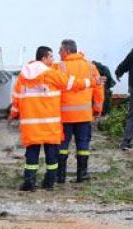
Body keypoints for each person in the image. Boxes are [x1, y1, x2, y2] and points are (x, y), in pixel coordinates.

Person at [9, 46, 98, 192]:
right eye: (51, 57)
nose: (53, 60)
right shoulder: (51, 75)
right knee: (51, 156)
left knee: (31, 156)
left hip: (31, 125)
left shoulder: (23, 76)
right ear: (43, 58)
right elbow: (74, 84)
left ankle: (29, 182)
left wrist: (13, 114)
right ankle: (49, 182)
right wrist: (94, 82)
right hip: (50, 125)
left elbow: (16, 97)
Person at [54, 39, 105, 184]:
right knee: (83, 144)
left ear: (67, 50)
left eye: (60, 50)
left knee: (62, 146)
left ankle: (60, 176)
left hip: (64, 116)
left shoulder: (60, 67)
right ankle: (82, 174)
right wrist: (97, 108)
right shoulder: (90, 66)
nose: (59, 53)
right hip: (84, 114)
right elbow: (98, 88)